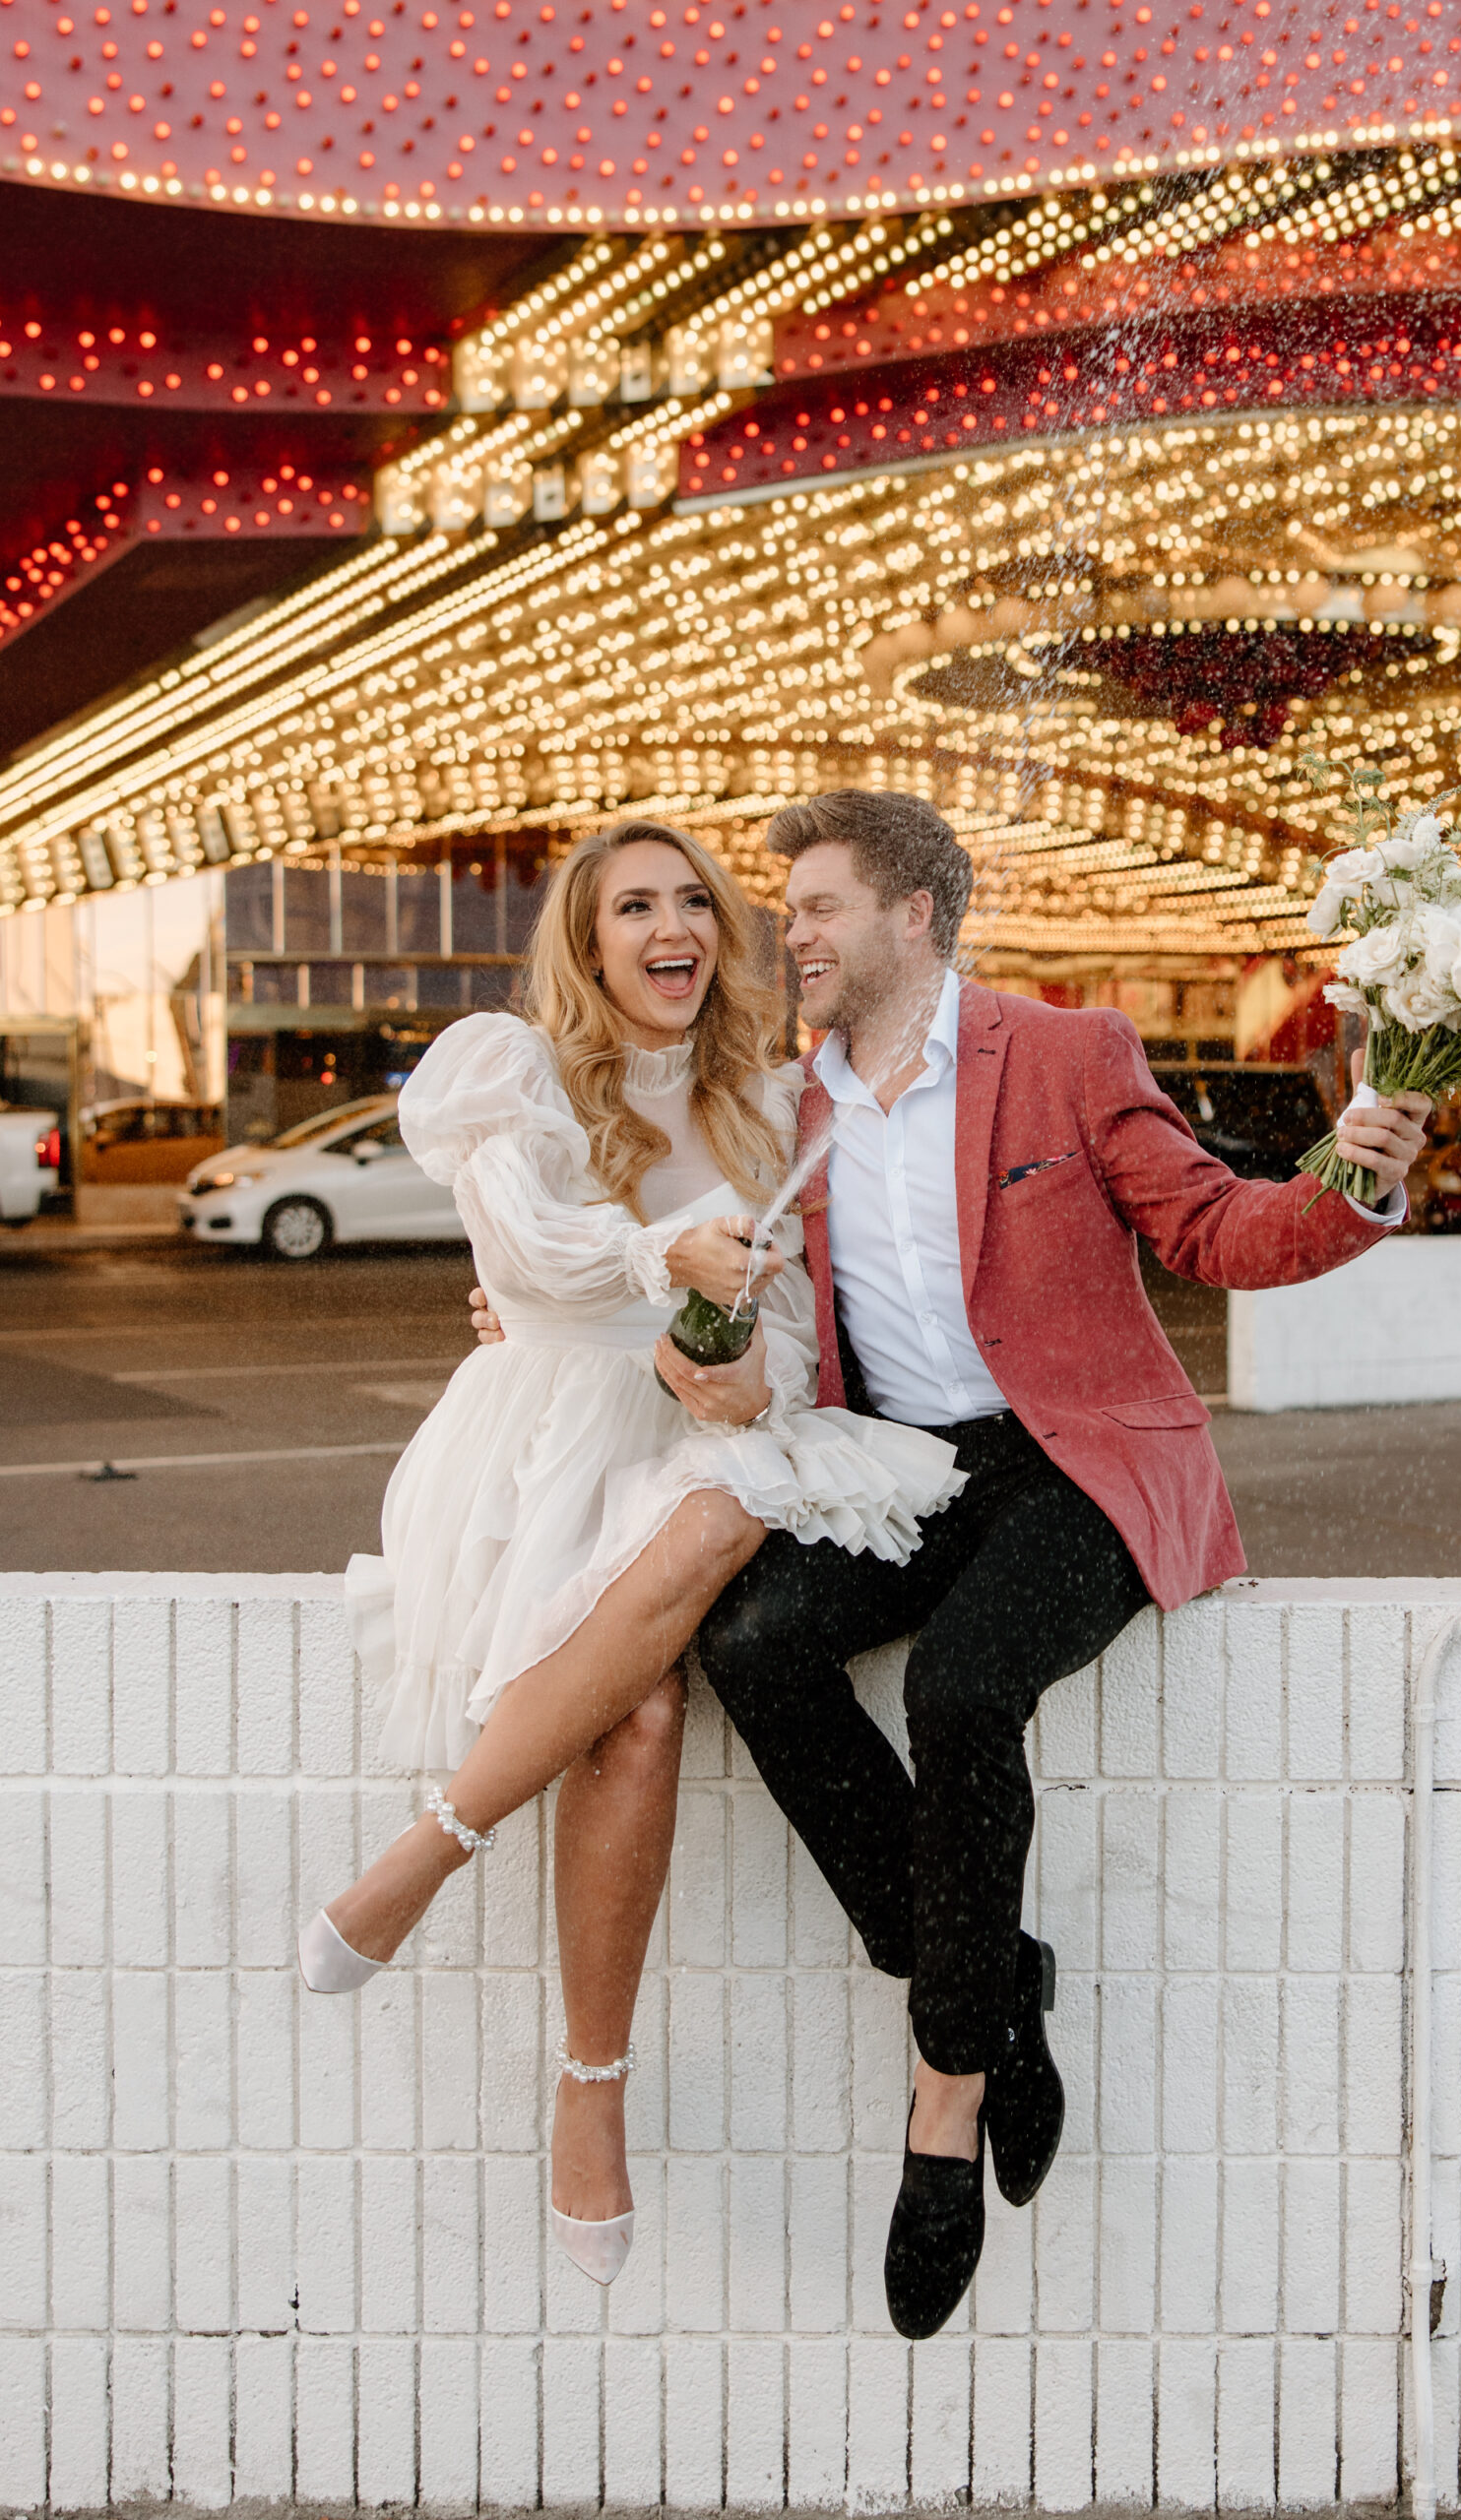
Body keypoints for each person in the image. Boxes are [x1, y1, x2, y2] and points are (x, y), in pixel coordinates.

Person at [472, 789, 1429, 2337]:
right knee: (754, 1647)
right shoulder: (791, 1108)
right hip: (904, 1467)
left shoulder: (1066, 1054)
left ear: (917, 916)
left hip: (1076, 1462)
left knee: (967, 1684)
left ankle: (946, 2096)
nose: (791, 934)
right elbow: (655, 1243)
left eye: (822, 907)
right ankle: (997, 1977)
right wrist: (539, 1317)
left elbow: (1213, 1230)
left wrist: (1355, 1179)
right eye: (787, 913)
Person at [298, 819, 962, 2292]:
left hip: (682, 1461)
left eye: (692, 906)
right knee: (641, 1709)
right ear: (588, 944)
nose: (671, 929)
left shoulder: (770, 1103)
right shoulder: (513, 1071)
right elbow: (524, 1248)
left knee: (729, 1494)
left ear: (720, 937)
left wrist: (734, 1378)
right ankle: (586, 2081)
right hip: (538, 1457)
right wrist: (654, 1262)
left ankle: (428, 1852)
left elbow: (786, 1341)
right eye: (632, 908)